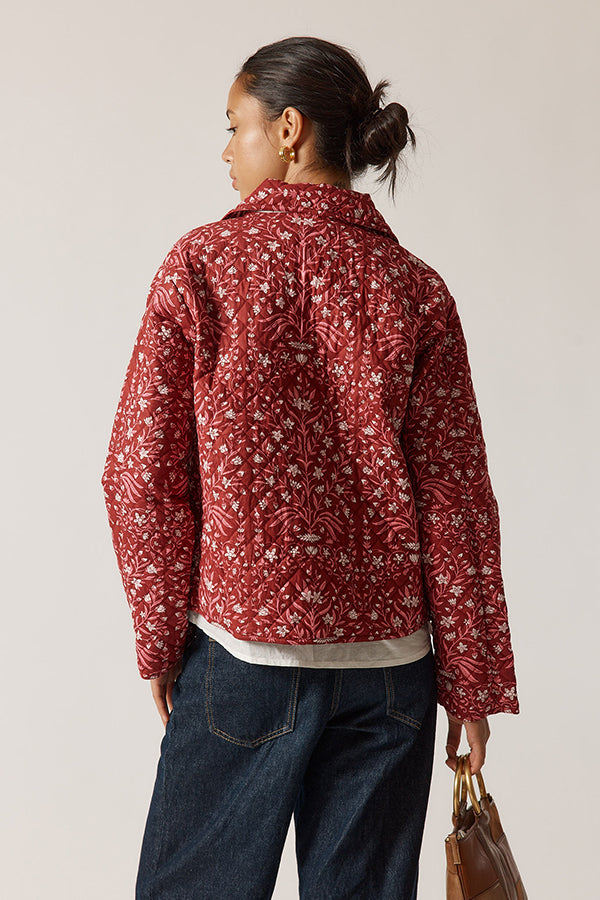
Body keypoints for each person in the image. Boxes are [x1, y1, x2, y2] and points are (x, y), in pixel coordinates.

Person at [101, 35, 520, 900]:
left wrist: (159, 639)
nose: (227, 150)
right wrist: (471, 685)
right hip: (392, 674)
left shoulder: (202, 266)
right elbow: (457, 499)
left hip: (241, 658)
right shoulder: (415, 288)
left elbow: (142, 475)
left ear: (288, 130)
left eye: (235, 126)